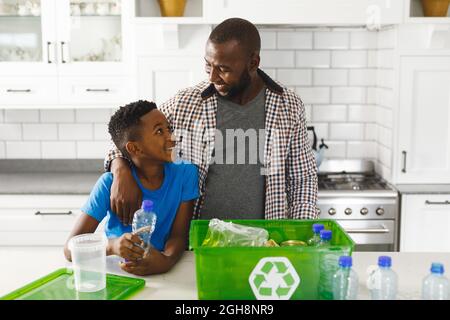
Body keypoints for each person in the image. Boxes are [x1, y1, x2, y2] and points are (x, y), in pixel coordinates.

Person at [105, 17, 318, 225]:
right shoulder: (186, 103)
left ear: (253, 63)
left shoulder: (288, 106)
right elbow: (126, 137)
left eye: (223, 69)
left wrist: (300, 236)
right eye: (208, 66)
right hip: (196, 242)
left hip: (261, 242)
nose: (212, 77)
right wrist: (120, 171)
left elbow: (303, 178)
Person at [64, 100, 199, 275]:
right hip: (117, 271)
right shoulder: (109, 183)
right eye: (159, 131)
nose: (171, 137)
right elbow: (69, 249)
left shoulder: (186, 174)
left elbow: (179, 236)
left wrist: (166, 261)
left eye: (169, 129)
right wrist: (112, 246)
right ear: (135, 148)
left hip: (164, 269)